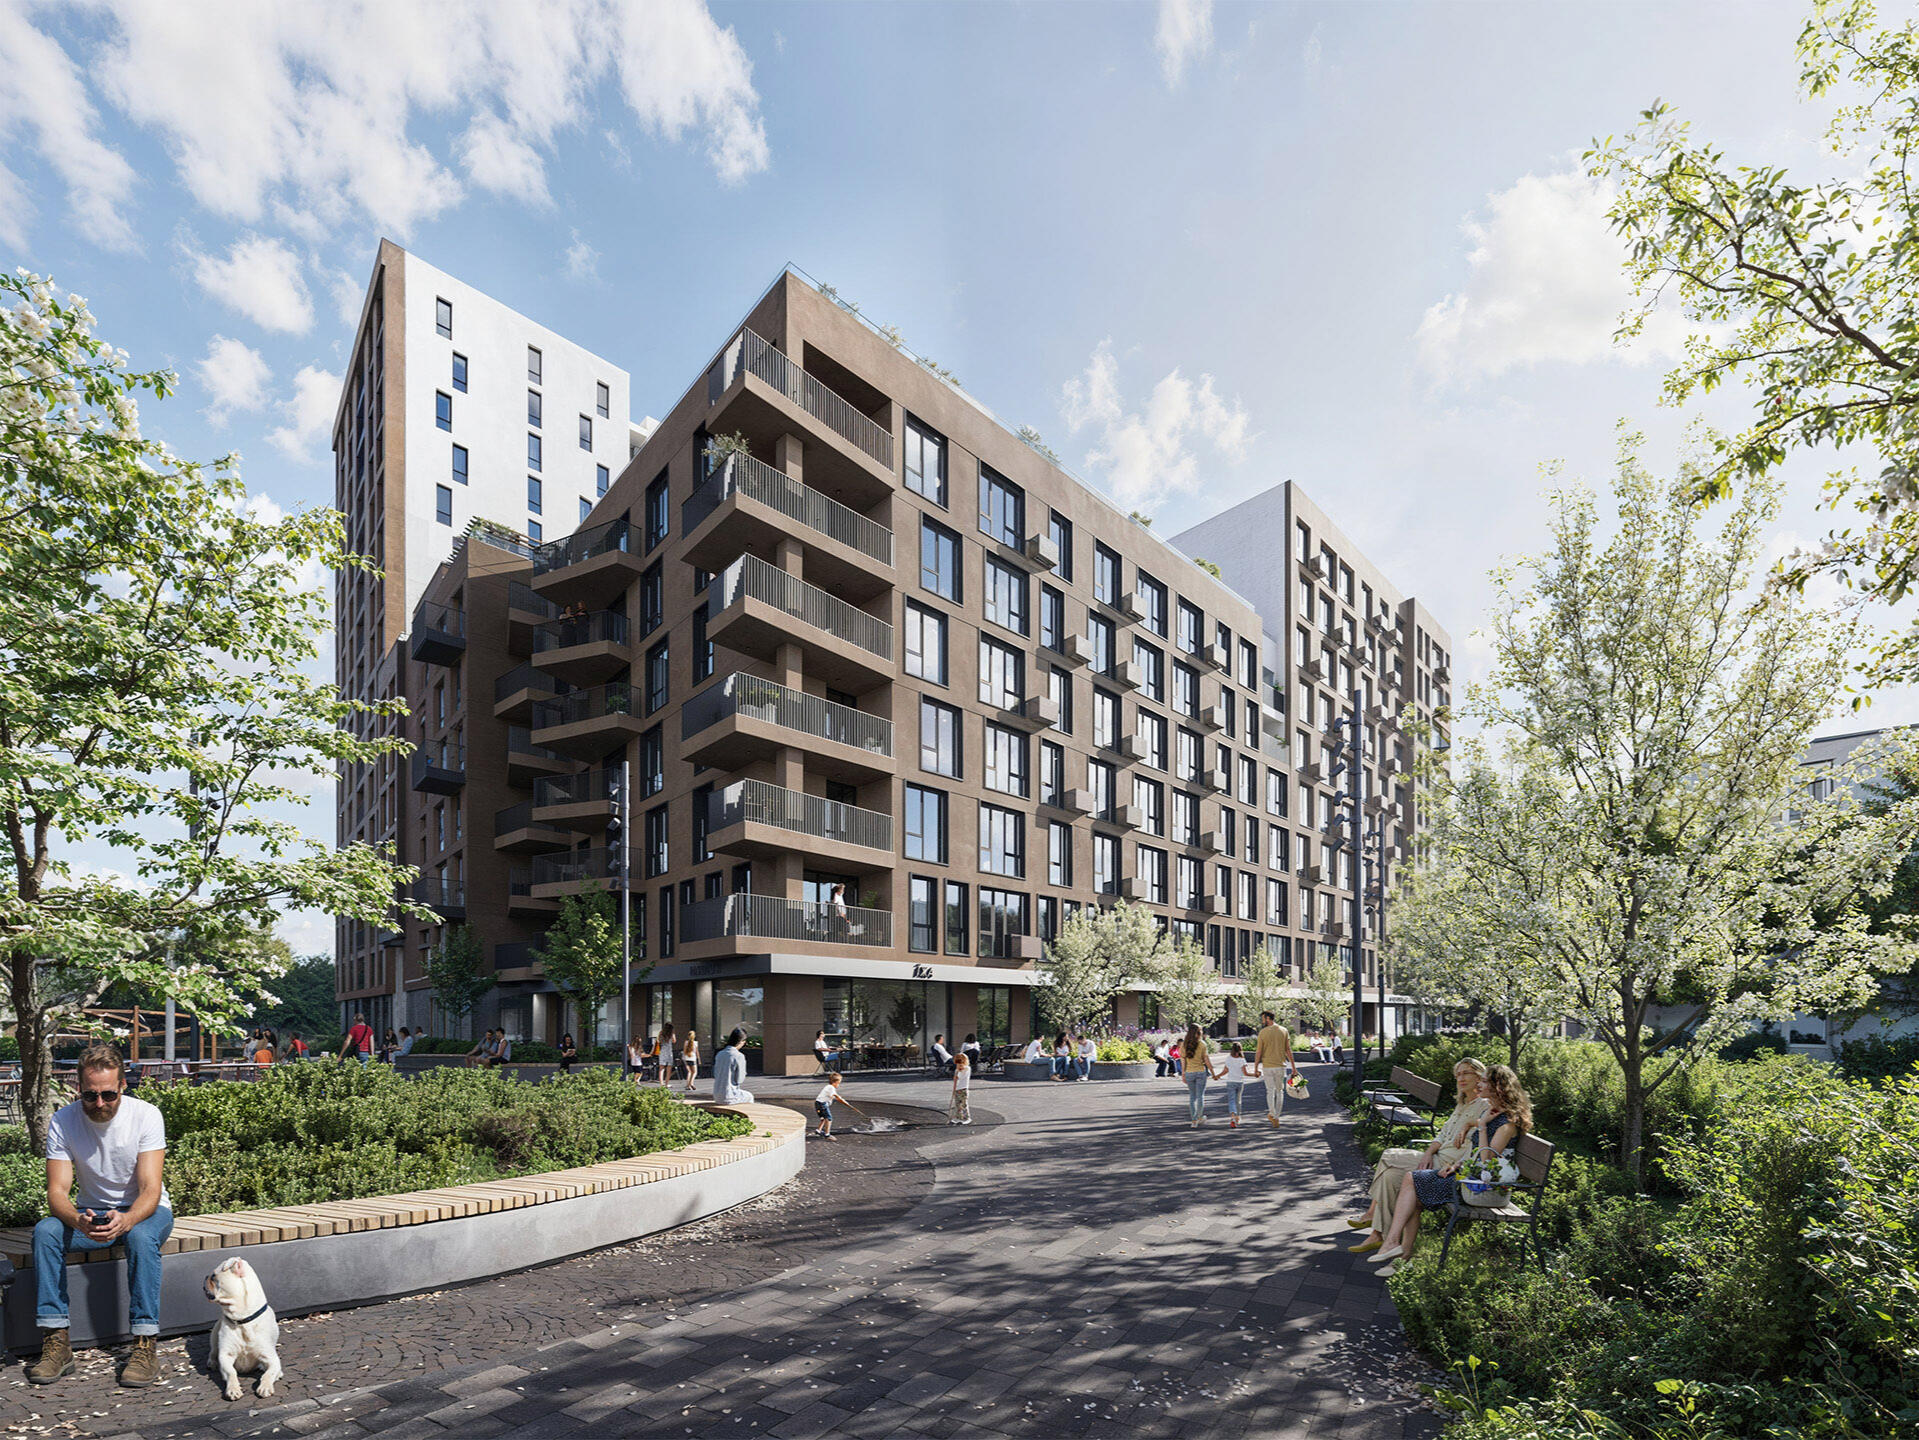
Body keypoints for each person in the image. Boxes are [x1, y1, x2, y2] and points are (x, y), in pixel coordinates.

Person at [28, 1045, 173, 1388]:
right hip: (90, 1214)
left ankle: (144, 1343)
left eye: (108, 1094)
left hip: (147, 1211)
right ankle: (56, 1340)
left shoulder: (146, 1115)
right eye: (90, 1095)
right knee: (46, 1232)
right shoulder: (63, 1120)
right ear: (78, 1089)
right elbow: (57, 1192)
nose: (99, 1103)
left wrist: (128, 1219)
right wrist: (77, 1220)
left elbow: (150, 1190)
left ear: (122, 1085)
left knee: (139, 1237)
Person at [1371, 1064, 1533, 1275]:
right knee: (1413, 1188)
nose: (1480, 1085)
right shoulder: (1493, 1114)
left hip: (1485, 1188)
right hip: (1472, 1179)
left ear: (1498, 1087)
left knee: (1412, 1182)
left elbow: (1485, 1160)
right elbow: (1475, 1152)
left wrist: (1481, 1126)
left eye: (1484, 1081)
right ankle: (1400, 1256)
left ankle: (1396, 1247)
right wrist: (1457, 1165)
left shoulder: (1506, 1125)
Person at [1349, 1058, 1490, 1252]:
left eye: (1466, 1073)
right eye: (1458, 1074)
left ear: (1479, 1076)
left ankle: (1373, 1214)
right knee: (1390, 1176)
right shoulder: (1462, 1103)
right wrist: (1428, 1153)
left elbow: (1480, 1146)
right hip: (1436, 1157)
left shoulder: (1485, 1106)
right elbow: (1442, 1134)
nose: (1461, 1078)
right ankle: (1379, 1236)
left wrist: (1458, 1159)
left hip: (1448, 1165)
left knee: (1389, 1155)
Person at [1254, 1011, 1301, 1129]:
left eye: (1263, 1019)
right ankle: (1276, 1116)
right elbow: (1288, 1050)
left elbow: (1259, 1052)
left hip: (1268, 1066)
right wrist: (1294, 1067)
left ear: (1268, 1018)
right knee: (1280, 1091)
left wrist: (1255, 1068)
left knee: (1270, 1091)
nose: (1262, 1021)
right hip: (1281, 1066)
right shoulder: (1284, 1030)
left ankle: (1272, 1114)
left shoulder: (1263, 1032)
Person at [1215, 1041, 1260, 1128]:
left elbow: (1225, 1071)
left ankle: (1232, 1116)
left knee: (1231, 1100)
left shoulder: (1228, 1058)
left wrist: (1217, 1076)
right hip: (1239, 1082)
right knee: (1238, 1101)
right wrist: (1255, 1075)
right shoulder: (1242, 1060)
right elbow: (1245, 1073)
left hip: (1230, 1082)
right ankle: (1238, 1117)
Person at [1180, 1023, 1212, 1127]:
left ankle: (1193, 1121)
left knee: (1192, 1096)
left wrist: (1183, 1073)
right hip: (1201, 1072)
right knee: (1200, 1096)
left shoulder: (1184, 1044)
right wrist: (1212, 1070)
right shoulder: (1202, 1044)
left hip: (1189, 1072)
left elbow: (1183, 1060)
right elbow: (1206, 1059)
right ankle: (1199, 1117)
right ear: (1199, 1032)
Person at [711, 1028, 754, 1104]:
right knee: (749, 1096)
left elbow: (715, 1073)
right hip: (730, 1096)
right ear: (741, 1041)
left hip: (717, 1095)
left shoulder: (719, 1054)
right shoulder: (739, 1056)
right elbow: (740, 1079)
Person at [814, 1071, 846, 1139]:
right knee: (829, 1118)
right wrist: (844, 1101)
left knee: (823, 1118)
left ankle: (818, 1130)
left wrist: (841, 1099)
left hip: (818, 1103)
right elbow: (836, 1096)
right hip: (822, 1104)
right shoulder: (831, 1088)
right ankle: (827, 1135)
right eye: (838, 1083)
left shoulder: (829, 1087)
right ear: (835, 1082)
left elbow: (836, 1096)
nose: (838, 1085)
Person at [949, 1052, 972, 1125]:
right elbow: (955, 1079)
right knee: (957, 1104)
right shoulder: (957, 1070)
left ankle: (967, 1118)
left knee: (963, 1104)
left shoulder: (967, 1069)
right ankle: (959, 1117)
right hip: (957, 1089)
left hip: (963, 1088)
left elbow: (961, 1077)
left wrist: (959, 1071)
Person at [679, 1030, 701, 1096]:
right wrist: (699, 1059)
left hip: (686, 1058)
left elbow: (684, 1050)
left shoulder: (686, 1042)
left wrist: (683, 1058)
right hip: (693, 1058)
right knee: (694, 1072)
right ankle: (691, 1083)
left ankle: (688, 1085)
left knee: (689, 1072)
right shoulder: (695, 1043)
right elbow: (697, 1052)